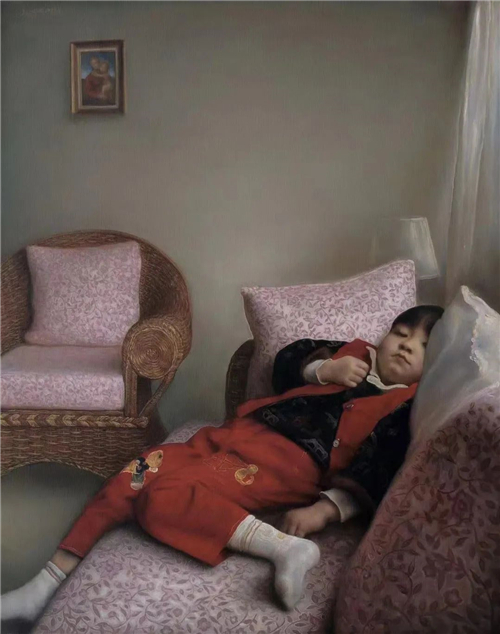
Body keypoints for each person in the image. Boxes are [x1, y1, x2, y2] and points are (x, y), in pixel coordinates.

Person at [1, 305, 444, 624]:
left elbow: (377, 466)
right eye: (401, 333)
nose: (406, 346)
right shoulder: (354, 352)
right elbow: (287, 359)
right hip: (234, 433)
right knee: (138, 470)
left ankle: (284, 547)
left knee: (162, 496)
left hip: (284, 463)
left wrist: (326, 510)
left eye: (423, 346)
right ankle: (45, 585)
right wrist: (324, 370)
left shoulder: (405, 406)